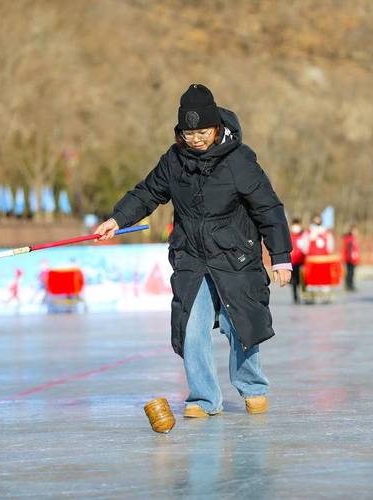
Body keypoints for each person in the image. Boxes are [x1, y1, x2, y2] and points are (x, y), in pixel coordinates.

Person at [94, 84, 292, 418]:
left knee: (240, 324)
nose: (196, 139)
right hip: (192, 257)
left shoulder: (239, 161)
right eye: (188, 133)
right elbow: (147, 193)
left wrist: (281, 256)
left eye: (202, 132)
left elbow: (268, 208)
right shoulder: (174, 161)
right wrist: (117, 219)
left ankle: (252, 387)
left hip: (235, 257)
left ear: (216, 128)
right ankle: (203, 398)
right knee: (191, 327)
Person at [289, 218, 306, 303]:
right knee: (294, 280)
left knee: (303, 280)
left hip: (302, 260)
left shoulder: (303, 235)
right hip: (293, 261)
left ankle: (305, 295)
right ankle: (295, 297)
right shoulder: (289, 235)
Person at [341, 224, 360, 292]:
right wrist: (349, 258)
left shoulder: (353, 239)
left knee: (352, 273)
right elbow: (348, 250)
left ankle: (351, 285)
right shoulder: (349, 239)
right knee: (349, 272)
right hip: (349, 259)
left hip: (353, 259)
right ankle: (349, 285)